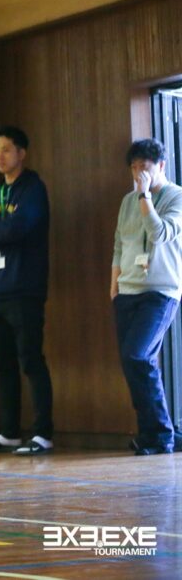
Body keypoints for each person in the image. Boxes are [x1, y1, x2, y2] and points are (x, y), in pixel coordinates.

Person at [0, 127, 54, 455]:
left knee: (31, 360)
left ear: (22, 153)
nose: (0, 156)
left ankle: (43, 433)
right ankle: (9, 433)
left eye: (6, 149)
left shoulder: (33, 188)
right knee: (2, 363)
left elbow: (20, 227)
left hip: (25, 288)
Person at [111, 138, 182, 456]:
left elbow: (159, 233)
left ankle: (161, 434)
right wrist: (114, 285)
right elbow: (119, 244)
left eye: (145, 166)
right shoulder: (127, 201)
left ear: (161, 166)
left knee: (137, 356)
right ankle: (156, 433)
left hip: (161, 292)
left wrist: (144, 196)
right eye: (134, 167)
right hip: (127, 291)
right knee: (133, 363)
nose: (139, 172)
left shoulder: (176, 196)